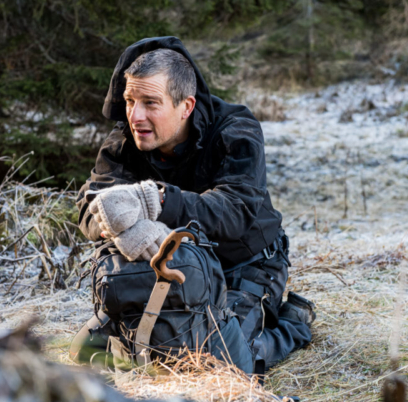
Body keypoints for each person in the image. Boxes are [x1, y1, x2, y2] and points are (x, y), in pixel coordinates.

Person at [72, 36, 315, 371]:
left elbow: (235, 210)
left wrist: (157, 202)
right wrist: (131, 224)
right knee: (113, 355)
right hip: (172, 267)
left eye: (150, 103)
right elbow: (90, 205)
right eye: (130, 100)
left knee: (222, 362)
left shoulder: (235, 130)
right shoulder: (125, 141)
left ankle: (293, 324)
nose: (135, 116)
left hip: (243, 265)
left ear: (186, 106)